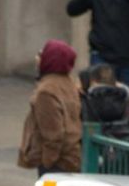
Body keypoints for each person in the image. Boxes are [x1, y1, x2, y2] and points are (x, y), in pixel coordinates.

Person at [66, 0, 129, 85]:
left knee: (123, 95)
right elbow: (72, 10)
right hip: (101, 54)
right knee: (99, 93)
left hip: (126, 56)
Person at [19, 40, 82, 174]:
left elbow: (53, 134)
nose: (37, 58)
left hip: (57, 164)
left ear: (50, 59)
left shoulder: (46, 92)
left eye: (41, 54)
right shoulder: (69, 83)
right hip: (71, 158)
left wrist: (47, 162)